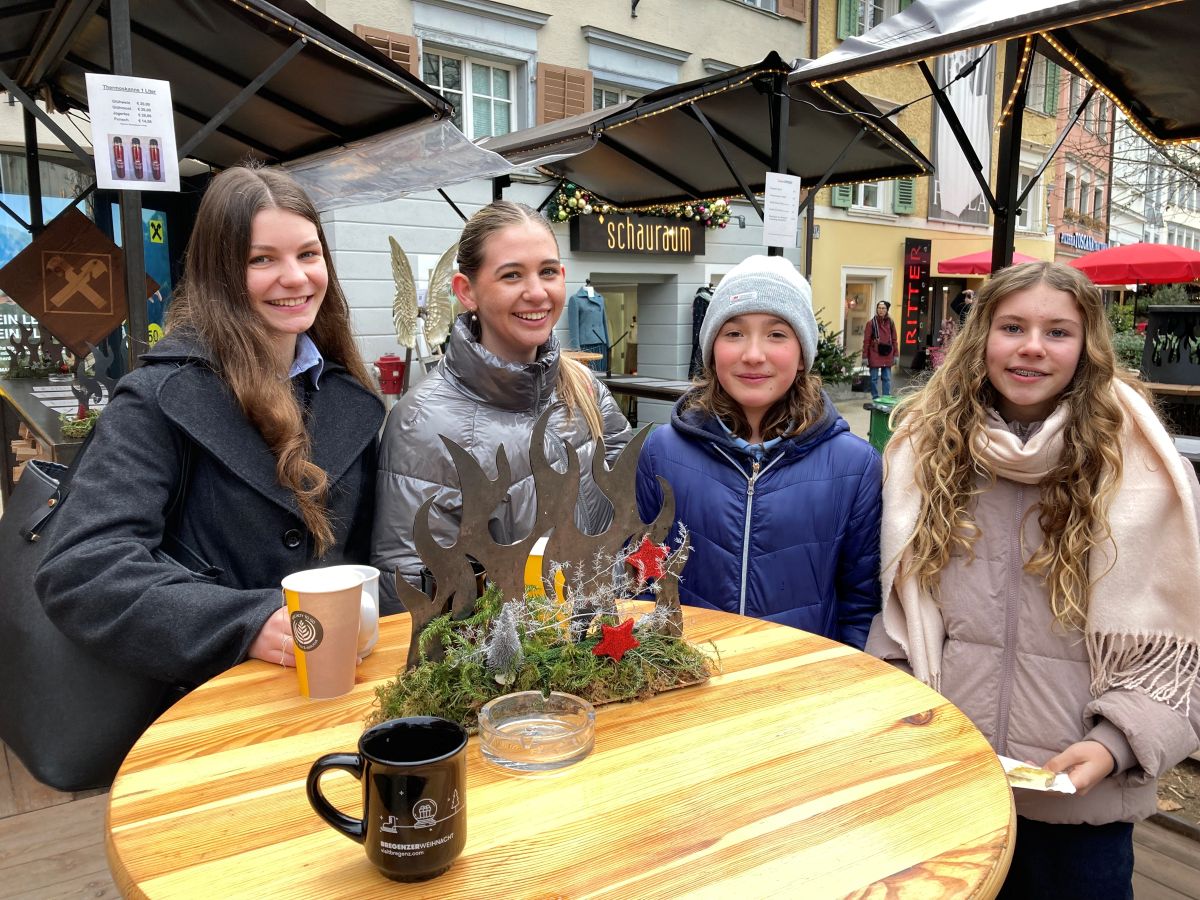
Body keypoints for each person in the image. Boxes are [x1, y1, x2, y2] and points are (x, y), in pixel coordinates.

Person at [866, 261, 1200, 899]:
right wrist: (900, 702)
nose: (1032, 347)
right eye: (1013, 327)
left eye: (1058, 332)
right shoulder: (928, 454)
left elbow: (1182, 651)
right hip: (950, 778)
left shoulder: (1147, 473)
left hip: (1082, 806)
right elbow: (901, 610)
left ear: (1087, 345)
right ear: (982, 337)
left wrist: (1116, 744)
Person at [35, 165, 384, 688]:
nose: (295, 277)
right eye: (262, 259)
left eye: (308, 254)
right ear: (218, 273)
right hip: (208, 698)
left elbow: (369, 556)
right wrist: (247, 623)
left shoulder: (349, 395)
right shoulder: (157, 399)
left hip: (341, 686)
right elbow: (83, 570)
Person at [373, 201, 631, 610]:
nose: (536, 292)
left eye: (548, 272)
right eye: (512, 275)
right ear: (466, 291)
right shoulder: (421, 423)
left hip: (607, 638)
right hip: (505, 652)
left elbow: (627, 520)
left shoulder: (586, 391)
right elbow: (416, 597)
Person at [635, 255, 882, 648]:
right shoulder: (662, 452)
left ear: (802, 354)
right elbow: (641, 583)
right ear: (711, 350)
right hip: (687, 675)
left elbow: (860, 606)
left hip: (802, 676)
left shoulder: (854, 466)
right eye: (734, 333)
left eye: (776, 334)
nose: (753, 354)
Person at [862, 300, 898, 399]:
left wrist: (896, 354)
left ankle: (886, 397)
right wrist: (865, 356)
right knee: (873, 379)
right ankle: (875, 397)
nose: (881, 310)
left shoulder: (891, 322)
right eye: (879, 308)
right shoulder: (871, 323)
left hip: (887, 353)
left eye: (883, 308)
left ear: (887, 310)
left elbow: (894, 340)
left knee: (887, 378)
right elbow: (866, 341)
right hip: (874, 354)